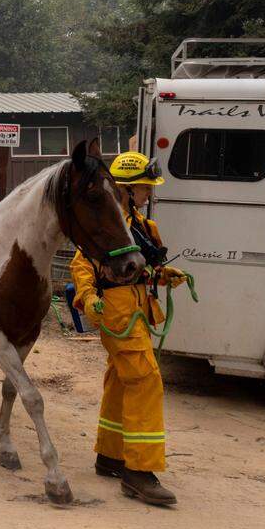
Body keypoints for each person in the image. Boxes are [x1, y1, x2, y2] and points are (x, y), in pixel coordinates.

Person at [70, 151, 188, 506]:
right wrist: (88, 297)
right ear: (124, 189)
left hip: (138, 310)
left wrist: (164, 275)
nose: (149, 194)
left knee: (121, 380)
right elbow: (82, 266)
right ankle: (138, 472)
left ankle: (110, 456)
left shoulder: (143, 226)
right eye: (143, 188)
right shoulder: (106, 227)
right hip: (118, 314)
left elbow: (144, 267)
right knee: (145, 380)